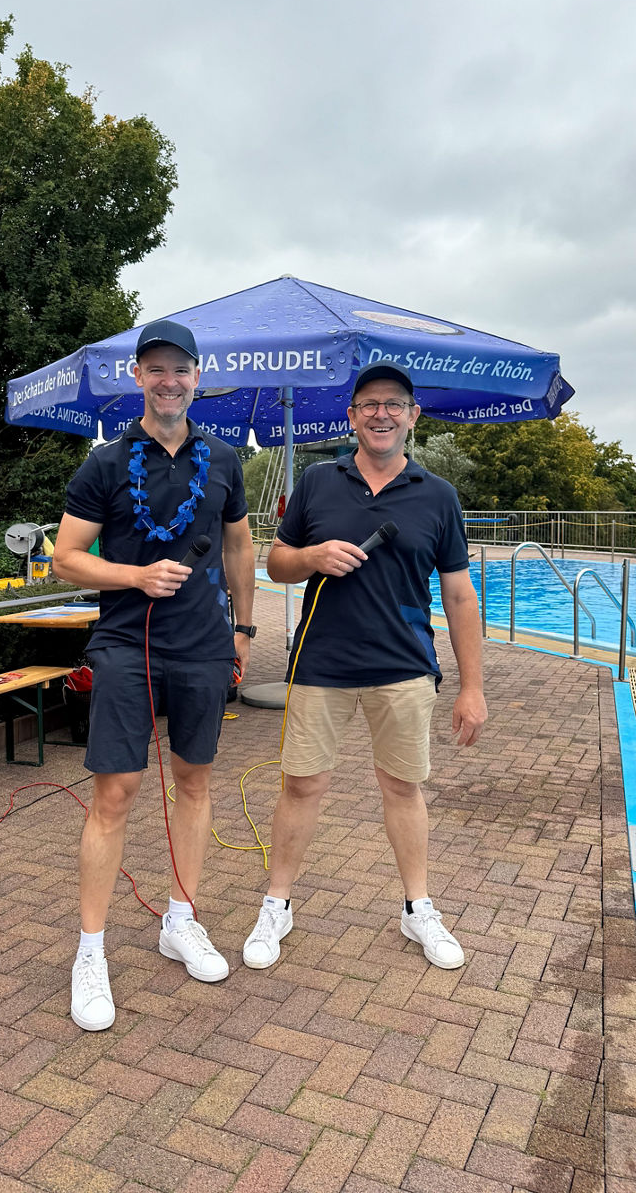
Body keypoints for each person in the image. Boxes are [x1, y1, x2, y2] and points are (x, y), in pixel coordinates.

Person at [243, 360, 487, 973]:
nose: (382, 413)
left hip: (403, 667)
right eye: (369, 404)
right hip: (319, 664)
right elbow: (275, 564)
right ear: (352, 416)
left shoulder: (438, 495)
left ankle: (417, 907)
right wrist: (313, 556)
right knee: (301, 786)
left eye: (394, 403)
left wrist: (472, 687)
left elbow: (459, 595)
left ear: (412, 415)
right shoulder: (318, 483)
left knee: (402, 788)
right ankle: (278, 903)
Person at [53, 319, 255, 1031]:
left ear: (196, 377)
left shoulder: (224, 459)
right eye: (156, 369)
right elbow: (66, 558)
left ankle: (180, 918)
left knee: (194, 781)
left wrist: (244, 628)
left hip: (203, 646)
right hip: (124, 643)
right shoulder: (106, 464)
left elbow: (239, 544)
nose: (169, 381)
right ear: (138, 377)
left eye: (181, 370)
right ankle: (90, 950)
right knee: (118, 790)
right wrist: (134, 573)